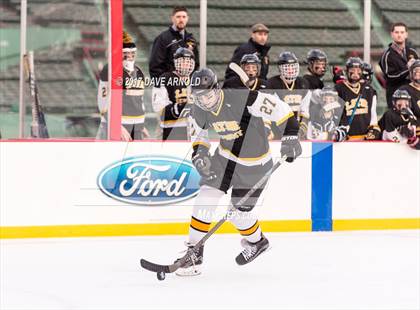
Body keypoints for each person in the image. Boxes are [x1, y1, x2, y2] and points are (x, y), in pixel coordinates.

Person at [175, 68, 301, 276]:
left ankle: (258, 242)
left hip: (255, 166)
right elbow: (200, 138)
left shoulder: (241, 97)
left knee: (238, 216)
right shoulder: (198, 110)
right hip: (225, 158)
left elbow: (281, 109)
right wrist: (200, 157)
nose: (205, 101)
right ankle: (194, 255)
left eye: (208, 95)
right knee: (206, 197)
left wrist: (291, 136)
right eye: (199, 97)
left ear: (216, 89)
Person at [97, 31, 148, 141]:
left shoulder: (139, 71)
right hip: (118, 127)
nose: (130, 56)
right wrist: (116, 125)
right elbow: (103, 101)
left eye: (132, 53)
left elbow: (139, 100)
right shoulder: (109, 69)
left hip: (137, 126)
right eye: (126, 53)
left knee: (136, 157)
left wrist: (141, 125)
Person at [152, 47, 195, 140]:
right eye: (183, 61)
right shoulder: (165, 79)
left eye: (188, 62)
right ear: (176, 62)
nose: (186, 65)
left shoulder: (195, 81)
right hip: (170, 131)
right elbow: (159, 109)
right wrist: (180, 107)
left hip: (191, 132)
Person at [267, 51, 311, 139]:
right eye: (287, 67)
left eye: (293, 67)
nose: (290, 70)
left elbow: (304, 110)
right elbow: (269, 110)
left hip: (297, 126)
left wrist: (302, 129)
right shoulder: (272, 83)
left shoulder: (303, 83)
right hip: (277, 126)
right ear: (280, 69)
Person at [335, 57, 381, 141]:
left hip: (364, 139)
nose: (355, 73)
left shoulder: (369, 90)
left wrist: (374, 128)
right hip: (345, 139)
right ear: (347, 70)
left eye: (358, 70)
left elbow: (373, 114)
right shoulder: (338, 89)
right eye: (352, 69)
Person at [149, 6, 199, 80]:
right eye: (178, 17)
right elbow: (155, 66)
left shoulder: (191, 40)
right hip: (167, 87)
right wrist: (164, 84)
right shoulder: (163, 38)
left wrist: (189, 80)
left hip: (186, 86)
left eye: (184, 17)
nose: (181, 20)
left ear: (187, 18)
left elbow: (196, 63)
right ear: (172, 18)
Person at [379, 22, 418, 108]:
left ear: (406, 34)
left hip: (414, 95)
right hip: (396, 96)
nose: (399, 35)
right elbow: (390, 77)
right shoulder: (386, 55)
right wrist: (409, 69)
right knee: (398, 119)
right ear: (392, 34)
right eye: (396, 32)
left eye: (402, 32)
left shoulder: (413, 52)